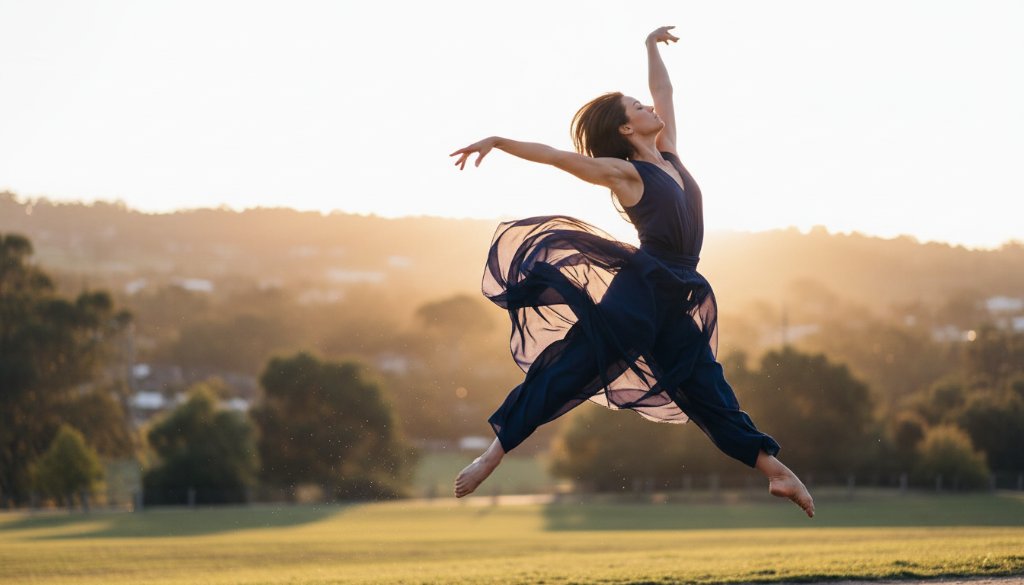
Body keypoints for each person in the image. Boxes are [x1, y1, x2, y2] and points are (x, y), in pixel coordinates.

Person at [449, 26, 814, 518]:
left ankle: (776, 473)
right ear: (626, 130)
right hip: (640, 291)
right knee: (572, 368)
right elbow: (559, 158)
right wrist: (498, 140)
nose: (650, 109)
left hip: (677, 291)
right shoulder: (626, 174)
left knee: (707, 385)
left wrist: (649, 47)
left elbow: (665, 92)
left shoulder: (671, 157)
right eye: (638, 108)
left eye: (645, 105)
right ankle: (492, 455)